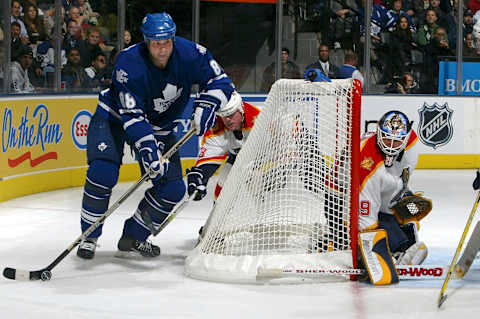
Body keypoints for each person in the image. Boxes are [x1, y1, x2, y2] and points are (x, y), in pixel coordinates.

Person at [76, 12, 234, 259]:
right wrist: (149, 151)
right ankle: (89, 236)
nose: (162, 50)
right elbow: (134, 116)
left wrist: (208, 102)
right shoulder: (128, 62)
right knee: (102, 173)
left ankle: (134, 235)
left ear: (173, 38)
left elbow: (221, 81)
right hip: (114, 119)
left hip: (160, 126)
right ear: (146, 41)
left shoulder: (191, 53)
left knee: (172, 190)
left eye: (167, 42)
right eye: (156, 44)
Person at [186, 92, 260, 237]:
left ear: (241, 109)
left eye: (231, 115)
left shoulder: (259, 118)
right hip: (238, 156)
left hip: (265, 158)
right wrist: (200, 175)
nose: (228, 120)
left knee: (258, 185)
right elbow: (211, 154)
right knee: (223, 184)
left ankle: (269, 217)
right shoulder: (218, 126)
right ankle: (216, 225)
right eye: (224, 116)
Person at [359, 110, 428, 266]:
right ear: (378, 132)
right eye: (386, 138)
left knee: (408, 212)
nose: (390, 146)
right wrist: (373, 249)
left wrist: (401, 196)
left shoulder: (410, 143)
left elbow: (397, 178)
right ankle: (395, 248)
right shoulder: (368, 164)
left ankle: (400, 245)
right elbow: (366, 216)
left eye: (396, 141)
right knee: (375, 225)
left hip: (371, 191)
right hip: (341, 200)